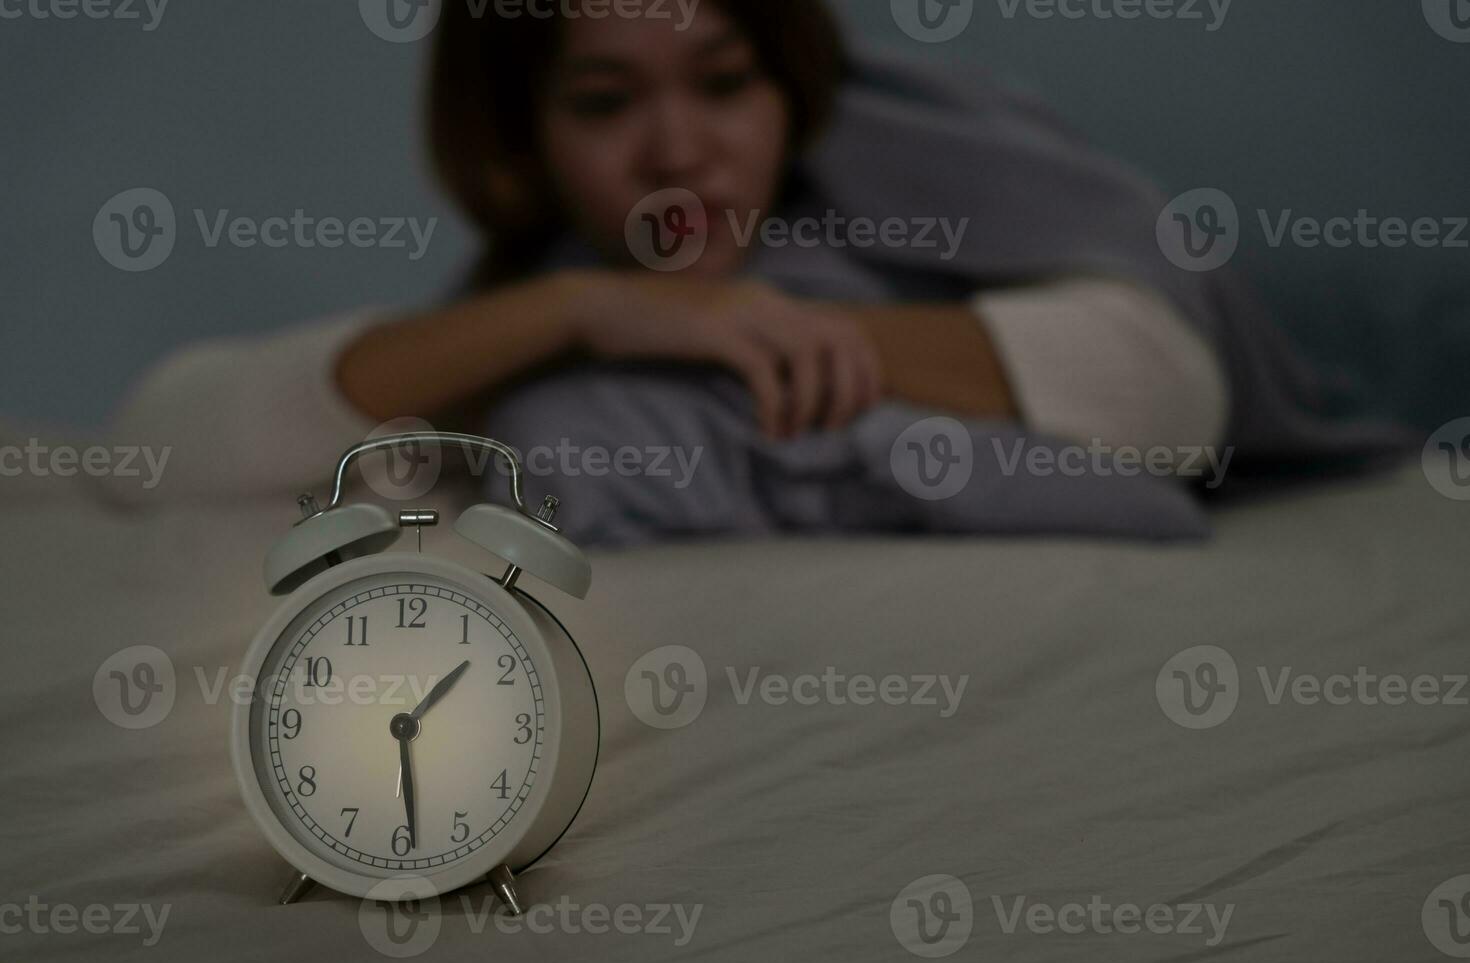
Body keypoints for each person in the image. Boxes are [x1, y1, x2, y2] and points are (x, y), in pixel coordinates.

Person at [115, 0, 1369, 531]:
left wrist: (753, 330)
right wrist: (588, 310)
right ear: (525, 138)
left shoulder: (908, 193)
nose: (679, 151)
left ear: (788, 85)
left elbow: (1172, 393)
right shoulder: (546, 305)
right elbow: (168, 441)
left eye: (725, 85)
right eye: (605, 104)